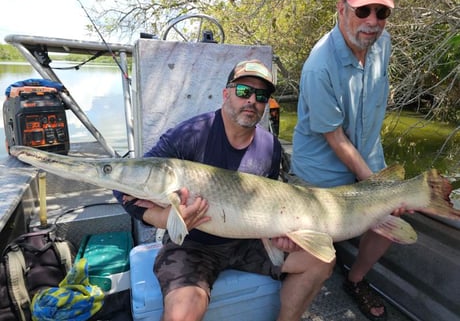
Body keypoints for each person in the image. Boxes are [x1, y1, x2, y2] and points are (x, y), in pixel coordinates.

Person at [115, 59, 334, 321]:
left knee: (321, 261)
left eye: (261, 96)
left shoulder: (271, 147)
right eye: (243, 91)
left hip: (250, 241)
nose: (252, 100)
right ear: (226, 93)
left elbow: (273, 204)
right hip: (194, 245)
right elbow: (121, 186)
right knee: (181, 315)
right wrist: (161, 218)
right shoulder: (191, 133)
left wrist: (283, 234)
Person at [291, 0, 398, 320]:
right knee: (320, 251)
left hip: (367, 152)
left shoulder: (383, 44)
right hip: (324, 166)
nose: (372, 21)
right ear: (341, 9)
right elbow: (334, 138)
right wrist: (373, 183)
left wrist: (379, 186)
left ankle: (356, 280)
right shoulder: (319, 67)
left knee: (391, 220)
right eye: (363, 10)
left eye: (381, 12)